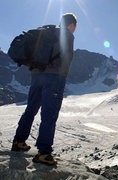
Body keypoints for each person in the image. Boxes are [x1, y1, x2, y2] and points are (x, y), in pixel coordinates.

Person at [11, 13, 77, 166]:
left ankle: (19, 142)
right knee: (49, 114)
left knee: (31, 109)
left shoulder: (47, 33)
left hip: (37, 75)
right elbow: (65, 59)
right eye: (74, 27)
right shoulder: (67, 35)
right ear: (71, 25)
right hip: (54, 78)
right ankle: (44, 153)